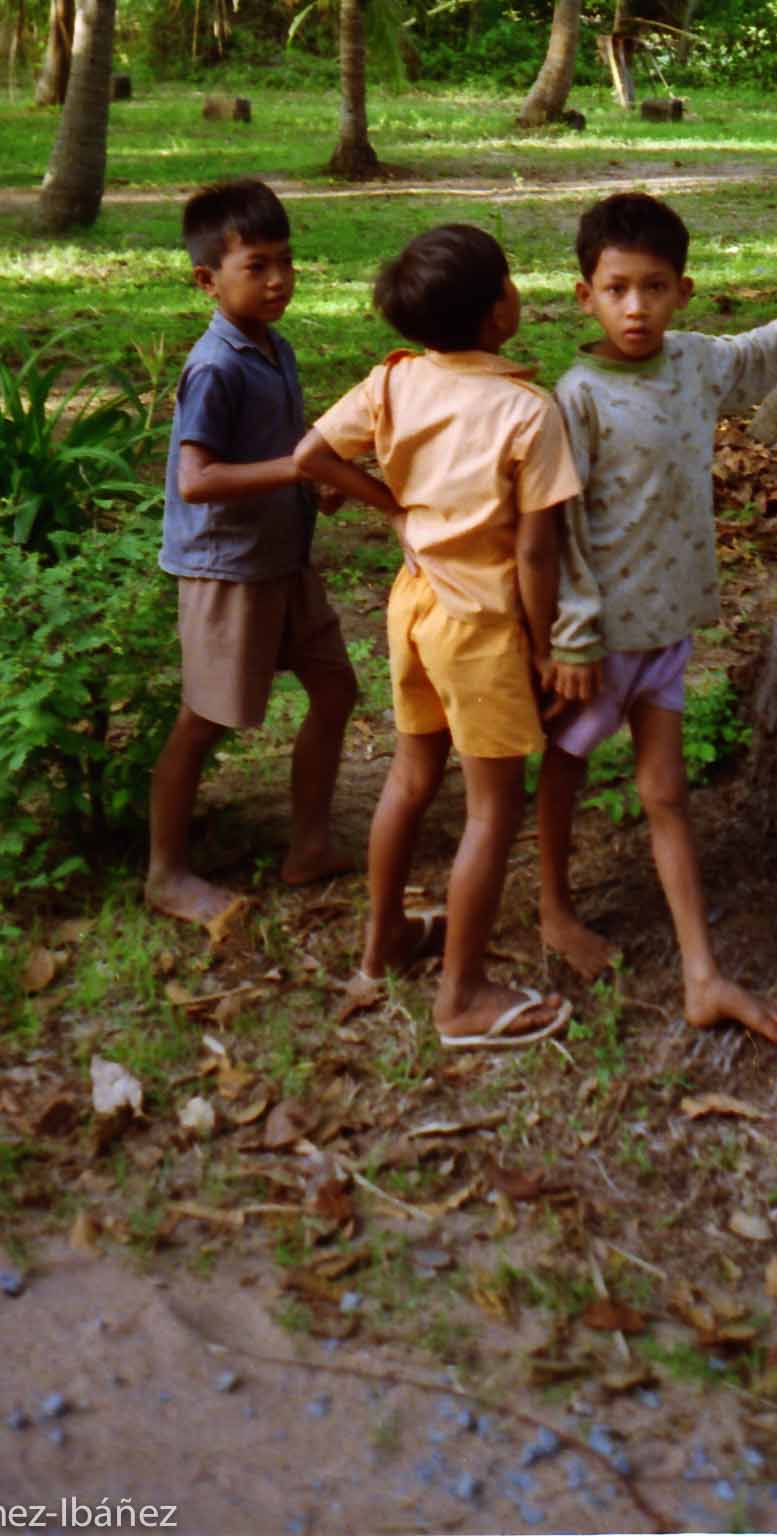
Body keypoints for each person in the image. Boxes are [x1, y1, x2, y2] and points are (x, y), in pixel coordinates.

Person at [539, 191, 777, 1041]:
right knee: (563, 775)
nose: (635, 308)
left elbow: (758, 354)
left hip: (668, 628)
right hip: (599, 640)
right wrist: (571, 633)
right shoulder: (574, 395)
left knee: (666, 796)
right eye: (615, 289)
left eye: (653, 288)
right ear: (585, 295)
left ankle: (702, 975)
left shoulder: (693, 362)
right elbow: (558, 520)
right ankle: (551, 907)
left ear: (682, 291)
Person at [292, 225, 581, 1049]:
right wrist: (544, 643)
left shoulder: (396, 380)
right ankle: (460, 997)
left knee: (410, 777)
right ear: (498, 313)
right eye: (510, 281)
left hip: (411, 609)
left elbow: (310, 454)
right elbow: (534, 548)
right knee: (494, 807)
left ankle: (379, 951)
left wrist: (392, 506)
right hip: (481, 624)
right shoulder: (529, 412)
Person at [149, 179, 357, 925]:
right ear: (207, 279)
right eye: (258, 266)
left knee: (336, 691)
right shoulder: (215, 366)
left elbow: (279, 452)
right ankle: (166, 873)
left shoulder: (276, 348)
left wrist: (313, 489)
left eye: (287, 264)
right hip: (227, 569)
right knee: (204, 722)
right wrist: (300, 470)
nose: (278, 281)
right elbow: (197, 479)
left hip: (285, 558)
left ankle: (308, 847)